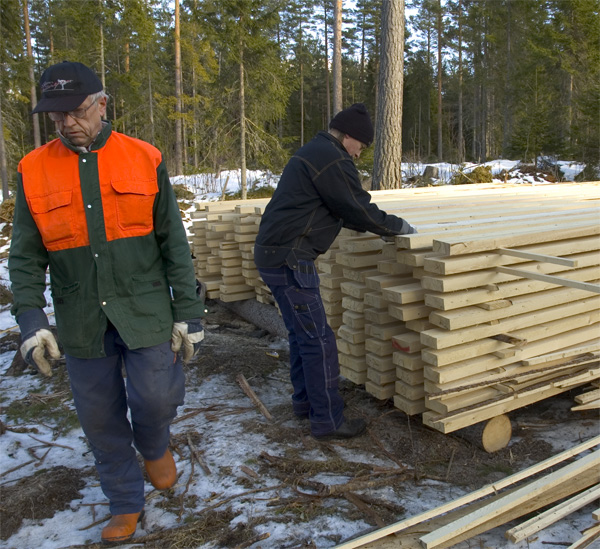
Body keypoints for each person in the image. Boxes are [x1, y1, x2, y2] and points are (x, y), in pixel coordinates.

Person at [9, 61, 206, 545]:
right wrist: (32, 321)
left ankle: (155, 444)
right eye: (56, 116)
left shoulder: (144, 157)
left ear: (102, 103)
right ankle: (124, 500)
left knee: (154, 397)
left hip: (144, 308)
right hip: (81, 316)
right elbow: (25, 255)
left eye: (75, 111)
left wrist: (189, 312)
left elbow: (173, 243)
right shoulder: (32, 170)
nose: (66, 123)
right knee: (99, 417)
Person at [254, 103, 416, 441]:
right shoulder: (331, 158)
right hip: (290, 258)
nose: (360, 154)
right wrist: (397, 227)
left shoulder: (315, 151)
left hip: (276, 255)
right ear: (348, 137)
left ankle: (304, 404)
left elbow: (337, 206)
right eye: (361, 146)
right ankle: (328, 421)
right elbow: (356, 207)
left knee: (302, 335)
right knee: (320, 341)